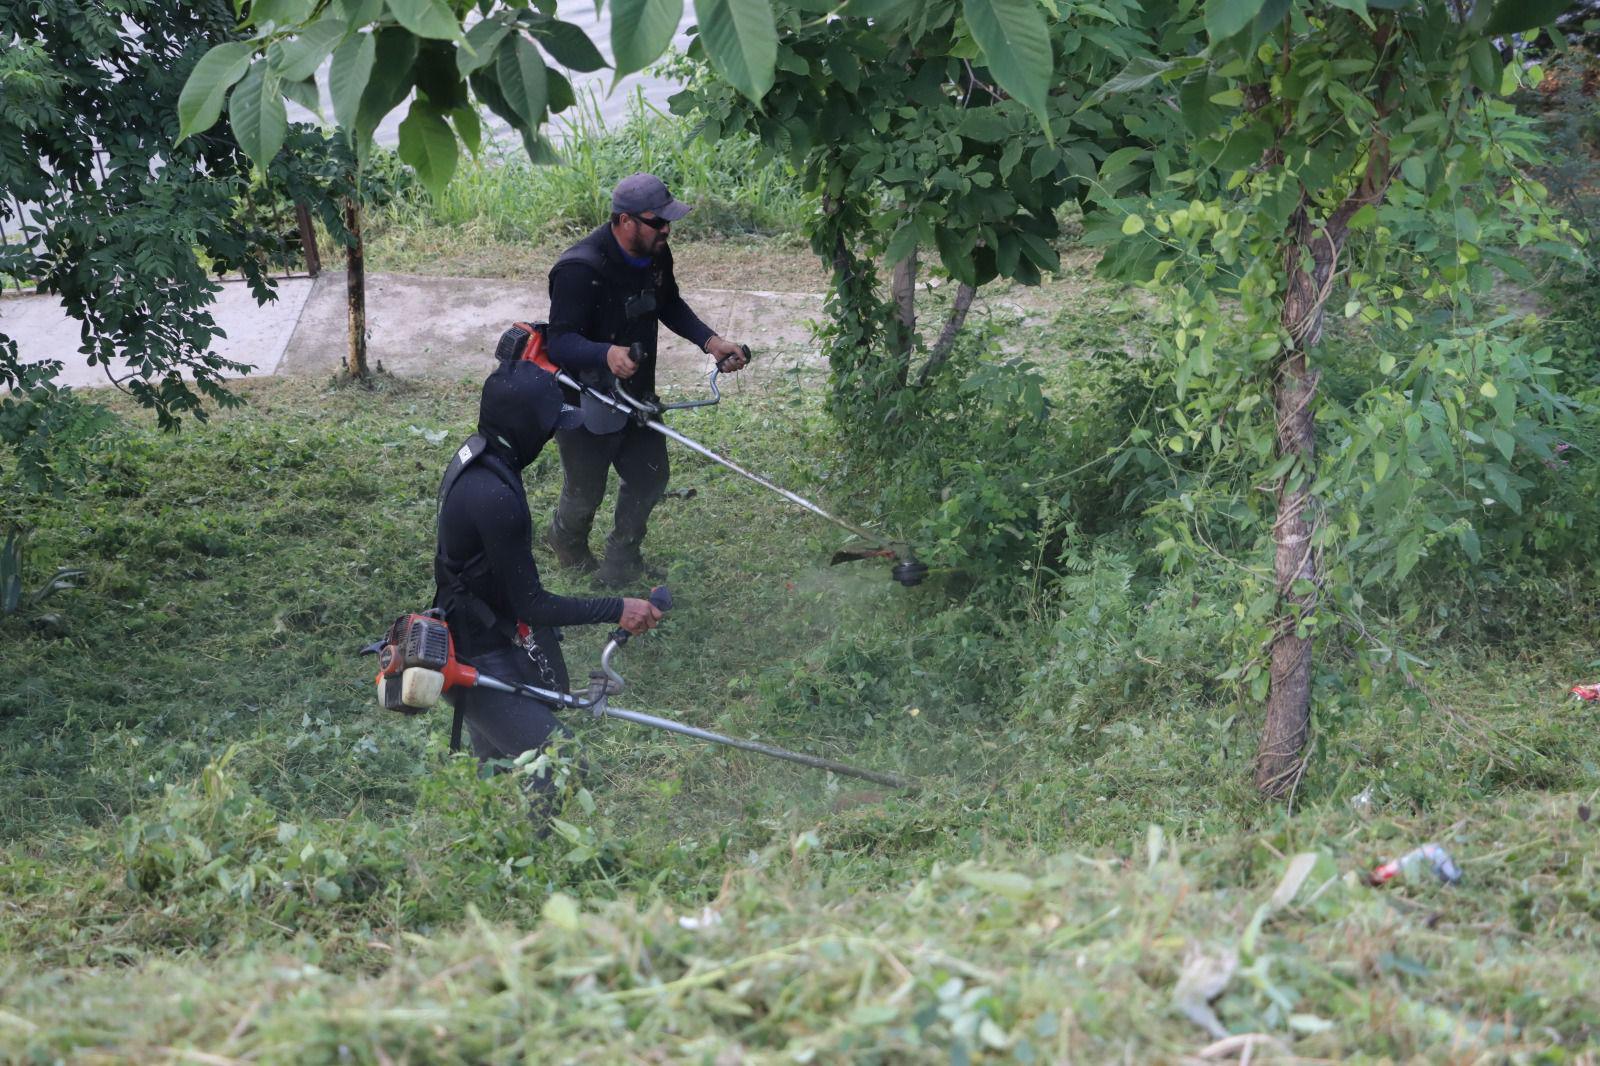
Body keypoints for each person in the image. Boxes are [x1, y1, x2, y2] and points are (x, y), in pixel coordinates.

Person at [434, 358, 662, 817]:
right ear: (524, 426)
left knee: (495, 768)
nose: (554, 435)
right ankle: (536, 859)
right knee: (559, 760)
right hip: (475, 655)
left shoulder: (480, 454)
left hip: (480, 632)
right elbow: (532, 603)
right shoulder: (495, 497)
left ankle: (493, 851)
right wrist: (617, 607)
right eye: (549, 426)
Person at [543, 172, 750, 587]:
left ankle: (622, 558)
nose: (667, 230)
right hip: (585, 399)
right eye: (658, 222)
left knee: (650, 475)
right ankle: (567, 541)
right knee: (586, 491)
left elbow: (667, 303)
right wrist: (604, 353)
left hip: (637, 394)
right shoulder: (579, 269)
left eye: (669, 221)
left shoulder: (656, 253)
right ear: (624, 222)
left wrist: (710, 341)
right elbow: (559, 342)